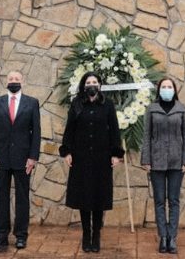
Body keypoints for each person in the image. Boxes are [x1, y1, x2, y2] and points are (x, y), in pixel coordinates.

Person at [60, 72, 124, 253]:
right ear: (83, 85)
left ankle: (96, 235)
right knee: (84, 197)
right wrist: (66, 152)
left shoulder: (108, 105)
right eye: (88, 82)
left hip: (102, 159)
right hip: (81, 158)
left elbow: (114, 130)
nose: (92, 85)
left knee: (98, 197)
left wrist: (116, 154)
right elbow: (69, 129)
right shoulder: (77, 104)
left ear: (100, 85)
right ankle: (86, 235)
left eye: (95, 82)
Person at [0, 70, 42, 250]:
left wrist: (33, 157)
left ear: (22, 81)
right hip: (1, 159)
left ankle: (21, 235)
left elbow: (36, 133)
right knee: (1, 198)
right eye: (11, 79)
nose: (13, 81)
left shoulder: (32, 103)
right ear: (6, 81)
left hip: (23, 159)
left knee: (22, 198)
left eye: (17, 79)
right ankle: (1, 235)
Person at [140, 77, 185, 254]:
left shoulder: (181, 109)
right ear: (159, 90)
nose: (166, 89)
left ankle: (172, 237)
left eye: (169, 86)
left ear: (174, 89)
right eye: (164, 86)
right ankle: (162, 236)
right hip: (156, 161)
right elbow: (146, 136)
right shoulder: (152, 109)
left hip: (176, 162)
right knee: (159, 200)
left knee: (174, 200)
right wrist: (146, 159)